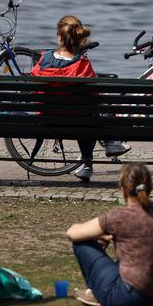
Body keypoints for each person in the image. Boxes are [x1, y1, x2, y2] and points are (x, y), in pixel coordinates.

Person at [66, 163, 153, 306]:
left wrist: (101, 234)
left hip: (130, 296)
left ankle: (97, 292)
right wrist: (113, 235)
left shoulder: (118, 217)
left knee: (81, 243)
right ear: (149, 187)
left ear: (122, 189)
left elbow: (72, 233)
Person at [30, 15, 130, 182]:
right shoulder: (82, 64)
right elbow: (94, 96)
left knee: (84, 111)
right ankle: (91, 160)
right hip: (78, 121)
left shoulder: (43, 59)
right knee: (89, 111)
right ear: (78, 38)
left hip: (47, 120)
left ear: (59, 37)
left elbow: (33, 89)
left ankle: (107, 144)